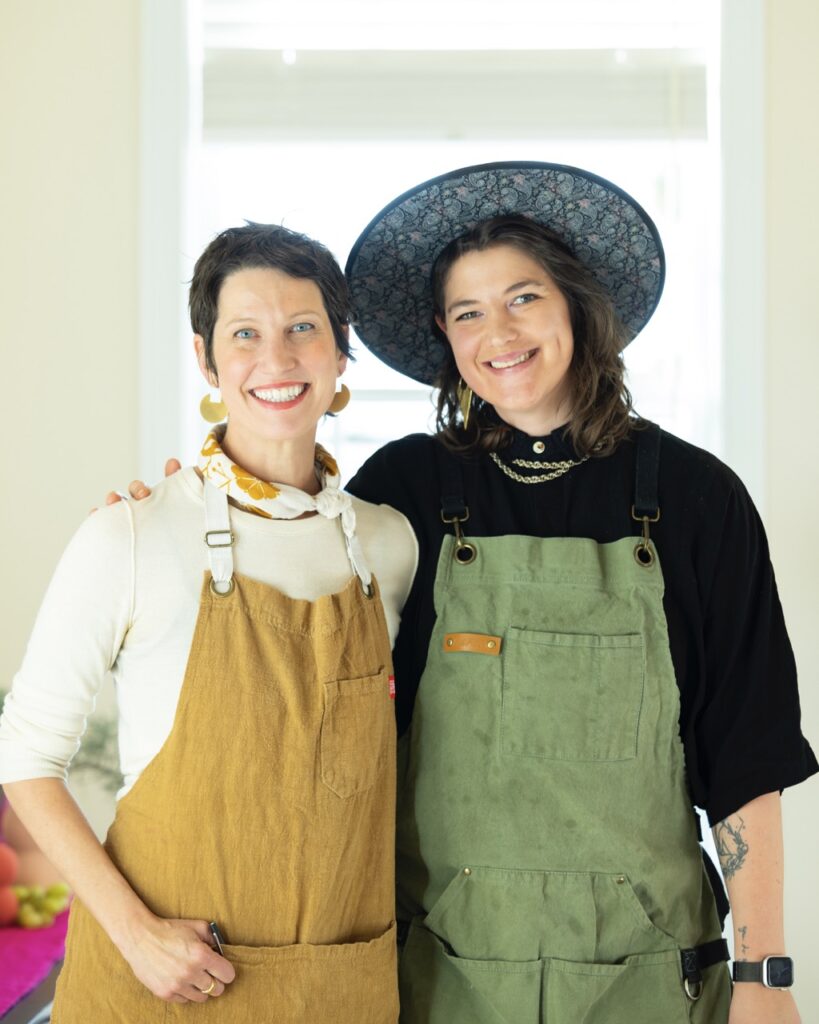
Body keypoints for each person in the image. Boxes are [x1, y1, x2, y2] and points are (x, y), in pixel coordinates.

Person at [111, 162, 816, 1024]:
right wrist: (171, 517)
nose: (500, 333)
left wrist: (763, 976)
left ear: (576, 311)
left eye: (523, 298)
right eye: (467, 312)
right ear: (444, 336)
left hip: (651, 976)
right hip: (441, 974)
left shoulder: (696, 498)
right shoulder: (403, 490)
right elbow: (287, 609)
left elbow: (746, 752)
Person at [0, 223, 416, 1022]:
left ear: (340, 353)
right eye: (245, 335)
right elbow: (25, 754)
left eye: (303, 329)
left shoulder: (388, 547)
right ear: (206, 360)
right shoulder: (133, 534)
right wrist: (136, 934)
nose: (278, 359)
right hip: (164, 986)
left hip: (340, 987)